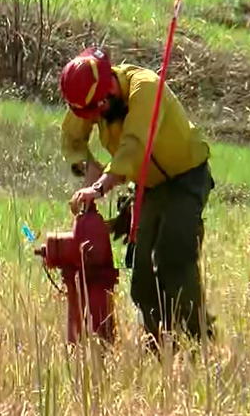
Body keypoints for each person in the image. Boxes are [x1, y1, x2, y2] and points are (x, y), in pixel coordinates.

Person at [58, 47, 215, 349]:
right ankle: (161, 346)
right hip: (147, 186)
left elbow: (134, 146)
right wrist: (86, 166)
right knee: (142, 275)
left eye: (98, 109)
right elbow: (72, 138)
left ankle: (199, 344)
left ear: (109, 87)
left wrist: (100, 187)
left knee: (173, 257)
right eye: (90, 113)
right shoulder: (88, 98)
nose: (96, 117)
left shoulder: (145, 89)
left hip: (186, 177)